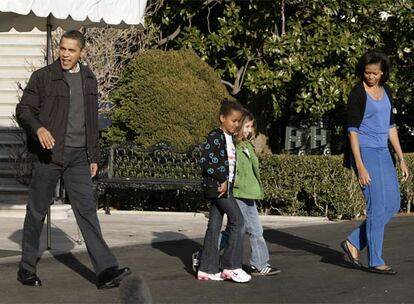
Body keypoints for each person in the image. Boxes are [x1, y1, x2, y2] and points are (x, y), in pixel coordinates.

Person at [15, 30, 131, 288]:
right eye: (62, 49)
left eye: (71, 50)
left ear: (82, 52)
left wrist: (93, 154)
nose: (65, 55)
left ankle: (105, 271)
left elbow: (90, 120)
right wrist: (39, 128)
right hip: (49, 154)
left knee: (88, 211)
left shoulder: (89, 78)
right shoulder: (44, 77)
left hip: (79, 156)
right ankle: (26, 269)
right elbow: (23, 110)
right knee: (36, 211)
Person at [341, 49, 409, 275]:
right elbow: (352, 132)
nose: (370, 77)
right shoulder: (357, 93)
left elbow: (391, 127)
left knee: (392, 204)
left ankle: (352, 241)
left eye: (375, 73)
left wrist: (401, 158)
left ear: (382, 73)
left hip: (383, 152)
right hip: (365, 152)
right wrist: (359, 165)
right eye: (367, 72)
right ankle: (375, 260)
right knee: (376, 205)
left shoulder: (386, 91)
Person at [193, 109, 281, 276]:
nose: (249, 129)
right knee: (253, 230)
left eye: (251, 126)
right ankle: (259, 264)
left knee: (234, 231)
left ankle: (203, 256)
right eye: (246, 126)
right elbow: (231, 169)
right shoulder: (233, 145)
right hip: (240, 193)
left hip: (250, 194)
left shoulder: (247, 145)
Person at [197, 100, 251, 283]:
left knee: (214, 227)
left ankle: (206, 269)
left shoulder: (229, 138)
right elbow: (205, 160)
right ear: (222, 118)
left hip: (223, 188)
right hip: (218, 188)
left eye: (238, 121)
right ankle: (231, 266)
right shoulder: (215, 135)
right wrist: (222, 179)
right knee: (238, 222)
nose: (236, 124)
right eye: (233, 120)